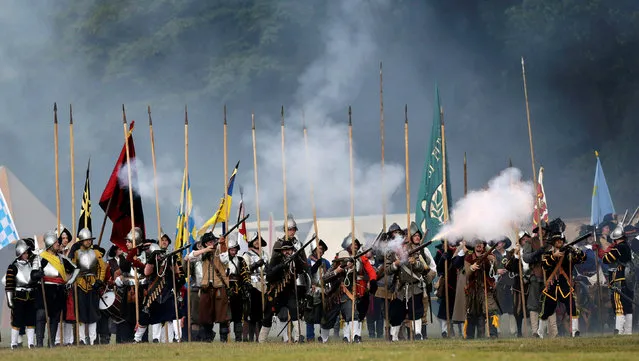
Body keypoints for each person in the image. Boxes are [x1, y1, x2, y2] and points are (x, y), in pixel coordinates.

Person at [386, 223, 433, 341]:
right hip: (400, 287)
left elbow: (425, 267)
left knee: (417, 311)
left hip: (414, 285)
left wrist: (415, 263)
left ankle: (418, 334)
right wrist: (395, 264)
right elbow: (387, 271)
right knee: (396, 313)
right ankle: (394, 336)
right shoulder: (391, 253)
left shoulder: (415, 249)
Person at [258, 239, 308, 343]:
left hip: (290, 292)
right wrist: (281, 266)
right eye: (284, 250)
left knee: (295, 312)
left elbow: (303, 269)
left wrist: (297, 258)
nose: (286, 252)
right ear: (281, 251)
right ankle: (262, 340)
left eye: (289, 249)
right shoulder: (276, 259)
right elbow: (269, 276)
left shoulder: (295, 260)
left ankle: (299, 338)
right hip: (276, 291)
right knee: (268, 315)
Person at [540, 230, 586, 338]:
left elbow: (583, 259)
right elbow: (544, 266)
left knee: (572, 308)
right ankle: (540, 332)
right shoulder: (547, 254)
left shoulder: (569, 253)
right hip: (551, 286)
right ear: (553, 242)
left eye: (561, 240)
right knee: (546, 311)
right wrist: (554, 256)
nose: (560, 242)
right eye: (557, 240)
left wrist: (576, 250)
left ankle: (574, 331)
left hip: (565, 285)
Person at [37, 230, 79, 346]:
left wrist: (70, 281)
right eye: (56, 242)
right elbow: (32, 274)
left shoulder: (61, 258)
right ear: (50, 244)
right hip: (45, 290)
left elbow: (76, 269)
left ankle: (51, 343)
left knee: (55, 317)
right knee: (41, 316)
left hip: (59, 290)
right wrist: (37, 274)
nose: (58, 244)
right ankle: (39, 343)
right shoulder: (41, 257)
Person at [187, 232, 230, 342]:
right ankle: (207, 339)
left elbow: (225, 260)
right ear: (206, 243)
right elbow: (189, 257)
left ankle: (223, 340)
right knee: (205, 315)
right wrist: (205, 250)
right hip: (206, 287)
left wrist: (223, 244)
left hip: (219, 286)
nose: (213, 243)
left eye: (214, 241)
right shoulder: (203, 253)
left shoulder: (220, 251)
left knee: (222, 315)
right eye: (210, 242)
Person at [69, 228, 107, 345]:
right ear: (81, 241)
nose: (88, 242)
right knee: (81, 313)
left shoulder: (96, 253)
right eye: (86, 240)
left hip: (93, 285)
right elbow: (72, 268)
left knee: (93, 313)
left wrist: (99, 281)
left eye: (89, 240)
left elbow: (102, 268)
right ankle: (81, 338)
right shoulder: (76, 254)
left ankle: (93, 338)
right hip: (80, 284)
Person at [341, 232, 377, 342]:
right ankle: (347, 336)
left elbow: (371, 271)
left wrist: (373, 280)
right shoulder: (342, 256)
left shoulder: (362, 258)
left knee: (360, 314)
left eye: (356, 244)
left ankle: (357, 335)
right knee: (347, 314)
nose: (355, 246)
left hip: (360, 288)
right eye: (353, 244)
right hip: (347, 288)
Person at [601, 223, 636, 335]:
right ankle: (628, 331)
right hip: (629, 279)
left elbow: (606, 259)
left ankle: (619, 330)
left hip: (619, 279)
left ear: (615, 239)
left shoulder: (618, 247)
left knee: (619, 305)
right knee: (628, 306)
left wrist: (609, 249)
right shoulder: (627, 246)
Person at [5, 239, 39, 349]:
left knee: (30, 320)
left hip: (30, 296)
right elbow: (9, 285)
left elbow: (33, 282)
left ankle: (31, 343)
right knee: (17, 321)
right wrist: (10, 300)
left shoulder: (31, 266)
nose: (27, 254)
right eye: (24, 252)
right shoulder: (13, 267)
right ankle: (14, 343)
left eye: (27, 252)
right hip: (18, 297)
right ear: (19, 253)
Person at [319, 250, 358, 343]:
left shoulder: (351, 269)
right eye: (342, 260)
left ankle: (355, 337)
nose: (343, 262)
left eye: (345, 260)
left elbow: (355, 277)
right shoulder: (333, 268)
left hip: (346, 296)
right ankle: (324, 339)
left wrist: (350, 269)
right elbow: (324, 279)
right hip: (333, 297)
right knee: (327, 320)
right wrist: (337, 271)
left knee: (352, 314)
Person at [464, 240, 499, 339]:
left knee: (491, 311)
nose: (479, 245)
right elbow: (466, 274)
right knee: (471, 313)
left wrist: (491, 260)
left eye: (481, 243)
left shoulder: (490, 256)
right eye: (476, 243)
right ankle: (469, 336)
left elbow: (495, 270)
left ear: (484, 245)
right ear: (473, 245)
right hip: (473, 291)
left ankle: (493, 335)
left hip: (486, 289)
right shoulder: (469, 258)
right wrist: (472, 268)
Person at [219, 233, 252, 342]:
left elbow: (246, 273)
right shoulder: (223, 260)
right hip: (225, 289)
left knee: (238, 316)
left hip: (238, 290)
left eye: (234, 250)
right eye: (231, 250)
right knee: (224, 316)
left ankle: (238, 338)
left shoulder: (241, 260)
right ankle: (223, 339)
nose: (233, 251)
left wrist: (247, 283)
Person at [242, 232, 269, 342]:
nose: (257, 242)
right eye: (255, 240)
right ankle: (250, 337)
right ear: (252, 242)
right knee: (253, 313)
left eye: (259, 240)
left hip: (265, 285)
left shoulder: (265, 254)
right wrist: (255, 265)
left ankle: (261, 338)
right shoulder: (246, 255)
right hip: (253, 285)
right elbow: (245, 270)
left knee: (264, 312)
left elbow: (270, 267)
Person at [305, 238, 330, 342]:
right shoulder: (307, 261)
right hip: (311, 291)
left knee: (323, 315)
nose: (321, 250)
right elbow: (308, 273)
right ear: (314, 249)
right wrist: (316, 265)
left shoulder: (326, 262)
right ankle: (310, 337)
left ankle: (323, 337)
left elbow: (329, 274)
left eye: (322, 249)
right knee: (310, 316)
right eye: (319, 248)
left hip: (323, 290)